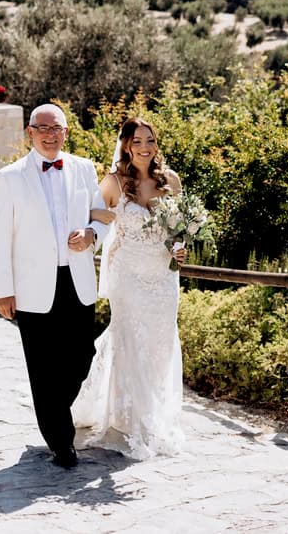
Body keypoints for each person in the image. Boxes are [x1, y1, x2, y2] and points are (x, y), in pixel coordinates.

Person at [0, 103, 114, 469]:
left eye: (56, 127)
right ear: (30, 132)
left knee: (82, 355)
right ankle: (61, 443)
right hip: (31, 288)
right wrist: (3, 290)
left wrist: (91, 234)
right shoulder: (10, 177)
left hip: (76, 281)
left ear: (65, 132)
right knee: (42, 369)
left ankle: (56, 412)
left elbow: (102, 217)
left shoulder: (84, 168)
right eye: (42, 128)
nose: (49, 134)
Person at [72, 117, 186, 460]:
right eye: (137, 141)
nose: (145, 147)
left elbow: (178, 228)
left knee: (159, 345)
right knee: (131, 342)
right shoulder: (113, 182)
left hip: (163, 276)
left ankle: (154, 413)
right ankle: (128, 420)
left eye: (150, 140)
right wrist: (94, 230)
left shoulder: (171, 181)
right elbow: (93, 216)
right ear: (125, 145)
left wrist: (179, 247)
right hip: (128, 275)